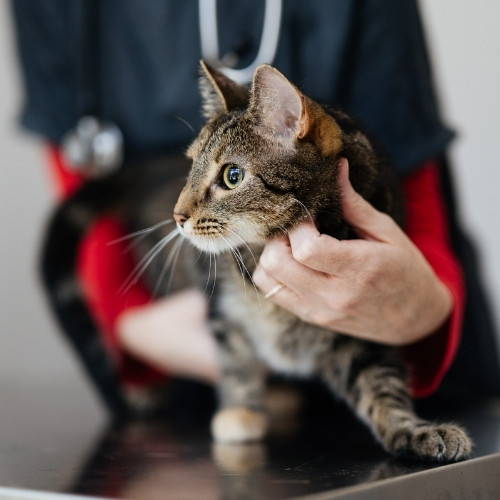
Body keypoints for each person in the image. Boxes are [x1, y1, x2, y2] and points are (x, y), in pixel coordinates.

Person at [10, 0, 500, 416]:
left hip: (395, 359)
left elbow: (412, 166)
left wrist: (421, 310)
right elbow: (78, 161)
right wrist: (129, 320)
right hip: (193, 353)